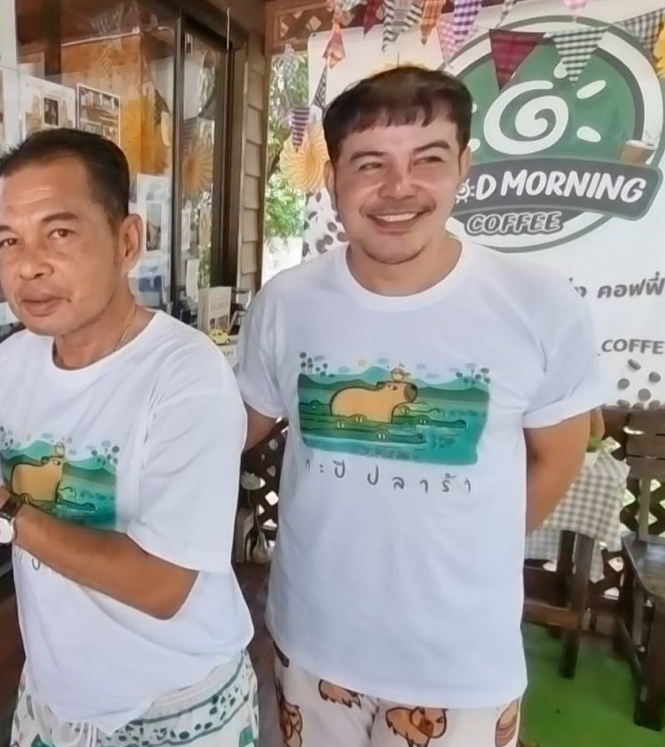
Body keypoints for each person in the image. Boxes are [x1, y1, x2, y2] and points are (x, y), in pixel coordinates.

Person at [237, 66, 607, 747]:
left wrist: (476, 547)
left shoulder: (538, 304)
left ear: (463, 166)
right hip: (313, 641)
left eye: (428, 160)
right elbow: (238, 426)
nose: (398, 187)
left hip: (460, 661)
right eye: (369, 164)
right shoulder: (286, 304)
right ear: (334, 182)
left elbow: (558, 456)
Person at [0, 130, 258, 745]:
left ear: (127, 242)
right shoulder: (8, 368)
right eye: (9, 241)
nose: (29, 265)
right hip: (52, 699)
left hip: (178, 710)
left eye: (59, 233)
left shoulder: (187, 375)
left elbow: (163, 587)